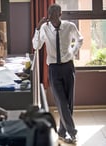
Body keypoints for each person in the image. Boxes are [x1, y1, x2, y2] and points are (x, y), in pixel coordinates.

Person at [32, 4, 83, 144]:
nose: (52, 18)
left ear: (60, 14)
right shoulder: (44, 28)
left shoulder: (69, 26)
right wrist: (37, 28)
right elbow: (36, 46)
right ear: (48, 15)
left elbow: (80, 39)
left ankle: (61, 132)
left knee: (68, 103)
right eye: (50, 15)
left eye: (55, 15)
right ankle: (73, 133)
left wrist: (73, 52)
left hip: (68, 67)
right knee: (61, 102)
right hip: (54, 69)